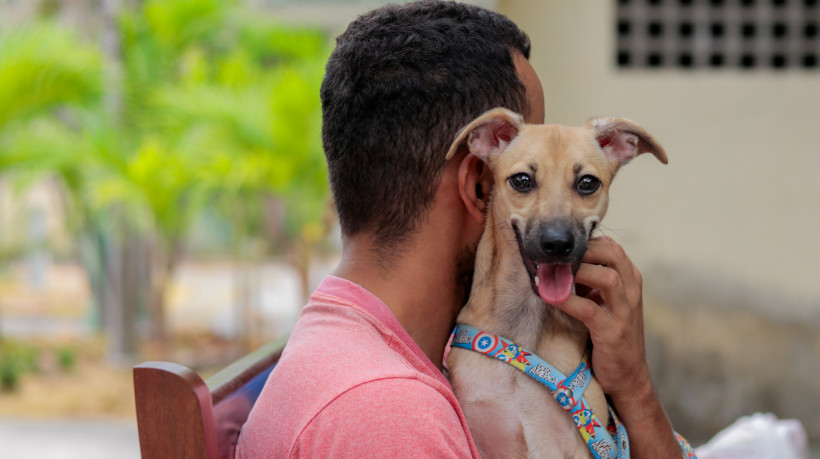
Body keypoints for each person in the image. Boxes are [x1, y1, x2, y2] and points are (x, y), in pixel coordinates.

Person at [237, 1, 688, 457]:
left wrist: (632, 388)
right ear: (479, 184)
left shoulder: (352, 352)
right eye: (525, 180)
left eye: (582, 184)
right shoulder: (390, 416)